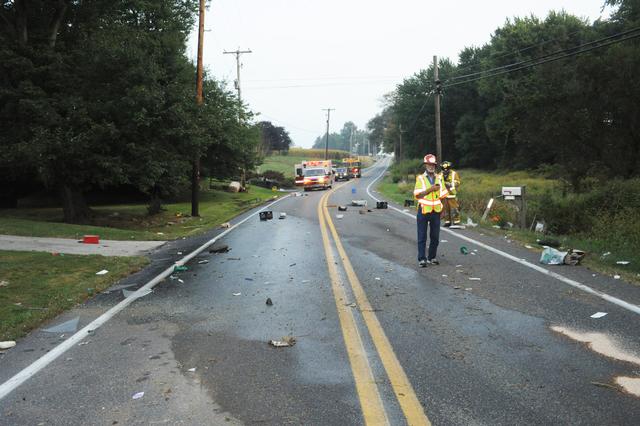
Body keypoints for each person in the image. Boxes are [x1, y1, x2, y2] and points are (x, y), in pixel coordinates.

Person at [414, 154, 448, 267]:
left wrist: (443, 210)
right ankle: (422, 259)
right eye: (429, 164)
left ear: (435, 166)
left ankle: (432, 257)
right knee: (422, 235)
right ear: (425, 165)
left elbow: (443, 195)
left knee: (435, 237)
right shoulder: (420, 178)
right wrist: (430, 189)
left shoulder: (439, 177)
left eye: (433, 164)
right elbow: (418, 195)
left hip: (436, 211)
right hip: (423, 211)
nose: (431, 166)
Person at [440, 161, 461, 227]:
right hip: (444, 195)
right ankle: (447, 221)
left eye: (447, 169)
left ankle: (456, 221)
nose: (445, 170)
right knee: (446, 209)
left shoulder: (454, 173)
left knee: (454, 208)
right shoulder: (441, 174)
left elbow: (458, 182)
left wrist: (450, 184)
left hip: (452, 194)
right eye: (444, 169)